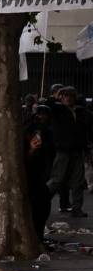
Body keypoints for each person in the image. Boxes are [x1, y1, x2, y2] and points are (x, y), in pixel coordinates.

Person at [47, 86, 87, 217]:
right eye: (65, 96)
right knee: (56, 179)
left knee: (78, 181)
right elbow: (48, 105)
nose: (68, 98)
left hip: (77, 150)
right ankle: (41, 201)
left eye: (70, 96)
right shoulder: (58, 109)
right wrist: (55, 96)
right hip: (63, 150)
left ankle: (77, 208)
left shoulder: (80, 111)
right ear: (61, 97)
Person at [25, 106, 56, 240]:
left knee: (42, 205)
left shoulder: (48, 132)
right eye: (39, 115)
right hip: (28, 173)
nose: (42, 118)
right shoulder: (27, 130)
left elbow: (50, 151)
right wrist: (31, 150)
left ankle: (38, 235)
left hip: (40, 173)